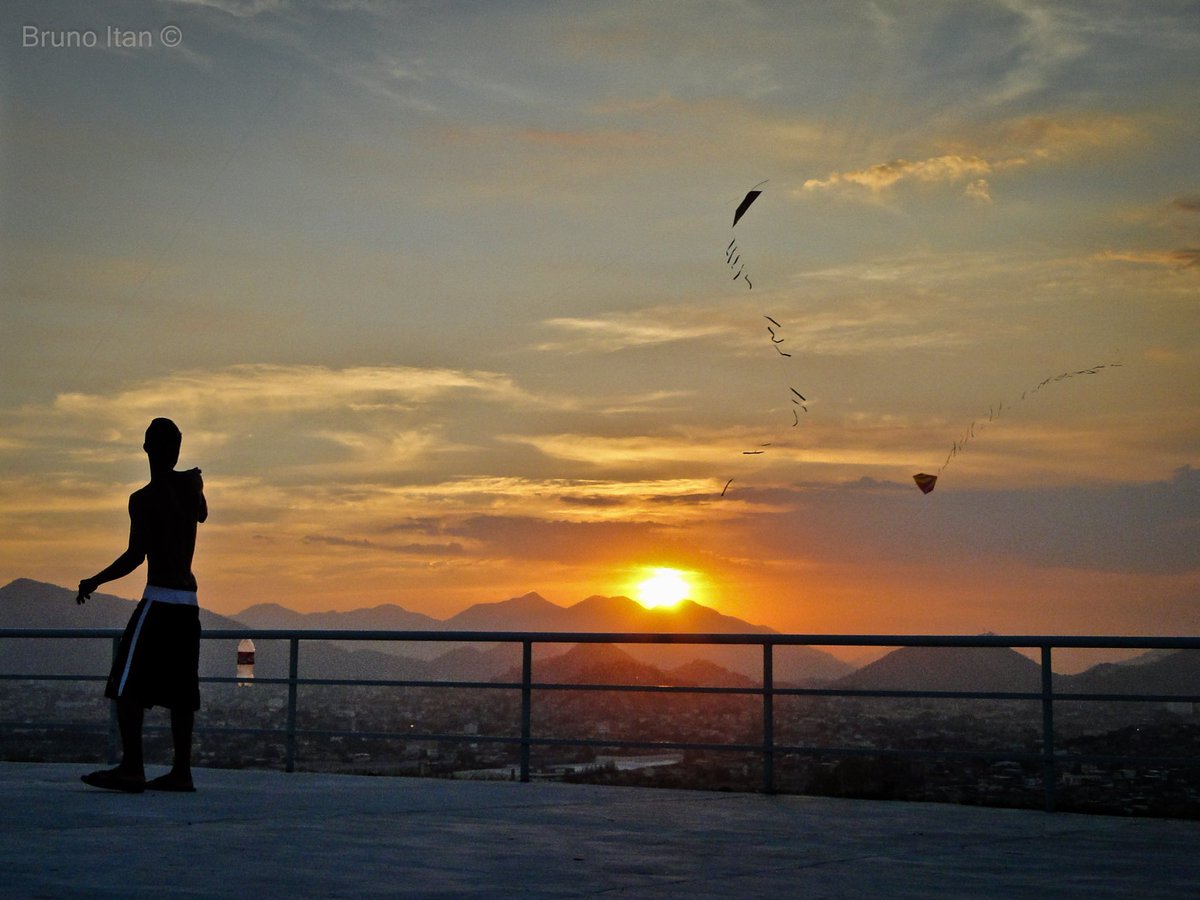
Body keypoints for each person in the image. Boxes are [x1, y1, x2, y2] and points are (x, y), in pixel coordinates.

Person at [76, 417, 208, 793]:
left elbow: (136, 556)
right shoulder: (191, 484)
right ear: (177, 449)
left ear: (146, 448)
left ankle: (132, 767)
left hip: (160, 600)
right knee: (183, 692)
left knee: (126, 683)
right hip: (189, 604)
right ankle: (181, 772)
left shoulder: (143, 499)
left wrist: (95, 580)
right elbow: (202, 512)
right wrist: (192, 479)